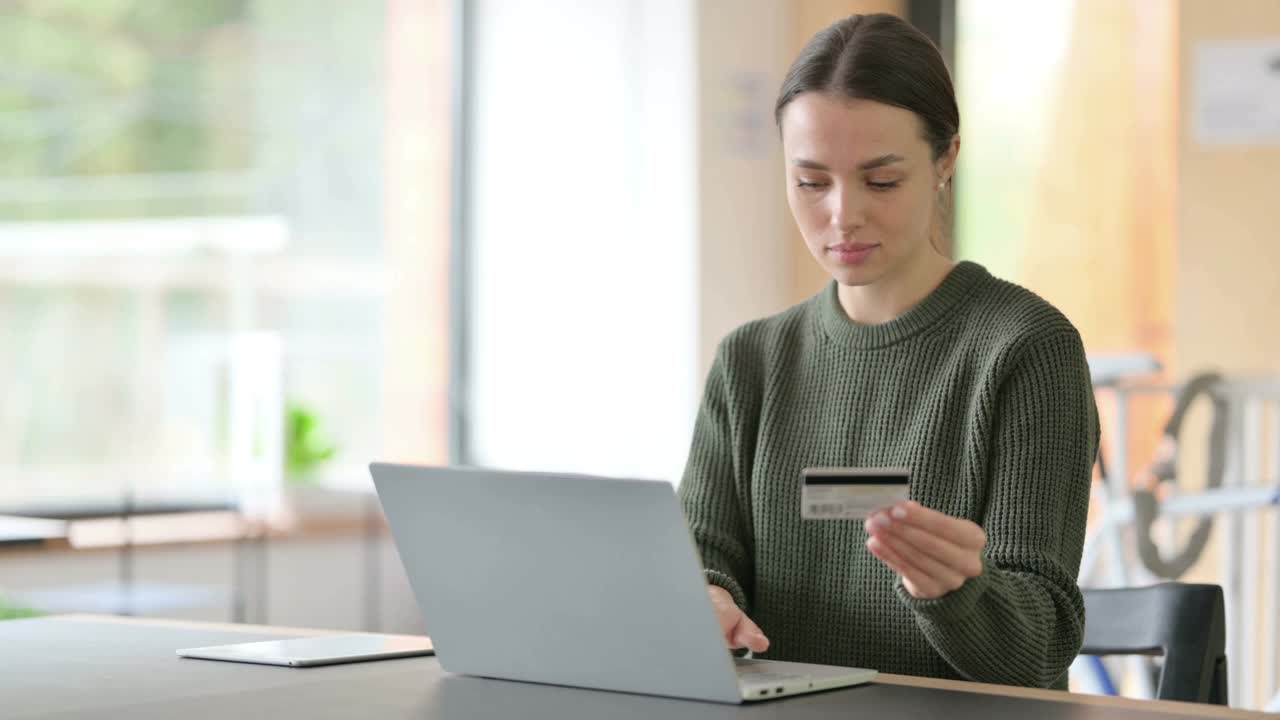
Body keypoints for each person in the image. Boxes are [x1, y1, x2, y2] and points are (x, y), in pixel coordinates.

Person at [677, 13, 1099, 690]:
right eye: (812, 182)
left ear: (946, 160)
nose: (843, 214)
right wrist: (707, 600)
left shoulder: (1025, 349)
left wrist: (957, 593)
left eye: (881, 181)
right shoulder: (749, 362)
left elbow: (1040, 648)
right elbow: (704, 557)